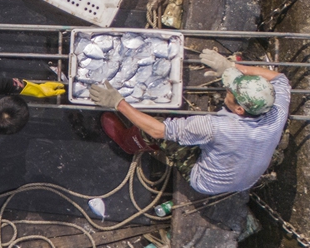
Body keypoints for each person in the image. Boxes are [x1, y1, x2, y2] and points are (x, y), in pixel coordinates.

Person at [90, 49, 290, 195]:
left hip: (209, 181)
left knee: (152, 129)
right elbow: (280, 79)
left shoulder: (214, 126)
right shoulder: (276, 110)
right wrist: (232, 67)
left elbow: (159, 130)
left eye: (230, 91)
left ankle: (128, 142)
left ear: (240, 109)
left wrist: (118, 103)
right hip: (247, 178)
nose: (226, 88)